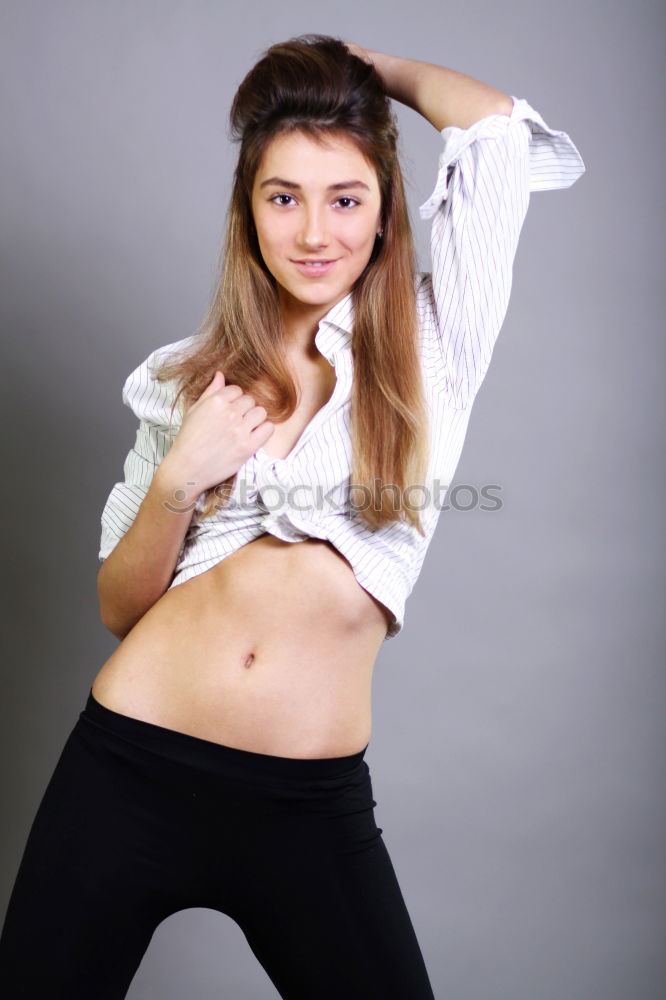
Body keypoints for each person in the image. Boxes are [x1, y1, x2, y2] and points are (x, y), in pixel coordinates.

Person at [0, 33, 585, 999]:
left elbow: (492, 132)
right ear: (249, 211)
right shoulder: (186, 378)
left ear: (386, 209)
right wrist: (180, 477)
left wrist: (370, 71)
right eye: (284, 196)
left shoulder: (434, 350)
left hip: (305, 803)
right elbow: (118, 605)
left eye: (345, 198)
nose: (315, 231)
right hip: (127, 771)